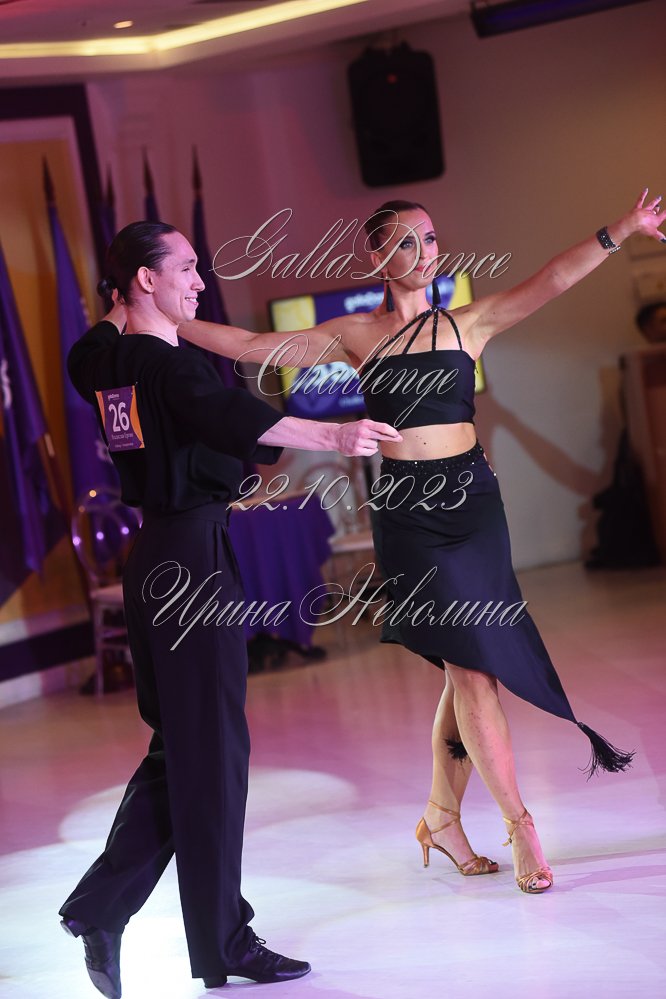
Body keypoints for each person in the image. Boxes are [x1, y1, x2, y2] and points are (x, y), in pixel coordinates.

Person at [179, 189, 665, 896]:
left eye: (430, 238)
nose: (424, 252)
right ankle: (521, 825)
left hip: (473, 507)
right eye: (406, 242)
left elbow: (554, 278)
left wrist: (623, 228)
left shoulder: (468, 323)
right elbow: (255, 347)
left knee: (465, 667)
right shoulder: (356, 334)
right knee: (471, 672)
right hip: (409, 514)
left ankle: (442, 818)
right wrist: (169, 319)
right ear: (377, 258)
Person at [59, 220, 401, 999]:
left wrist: (122, 300)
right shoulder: (164, 364)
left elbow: (95, 347)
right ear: (145, 280)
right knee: (210, 754)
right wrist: (335, 433)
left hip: (157, 560)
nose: (199, 281)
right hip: (190, 561)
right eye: (184, 268)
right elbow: (235, 419)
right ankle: (220, 940)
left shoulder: (105, 360)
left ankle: (101, 908)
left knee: (187, 750)